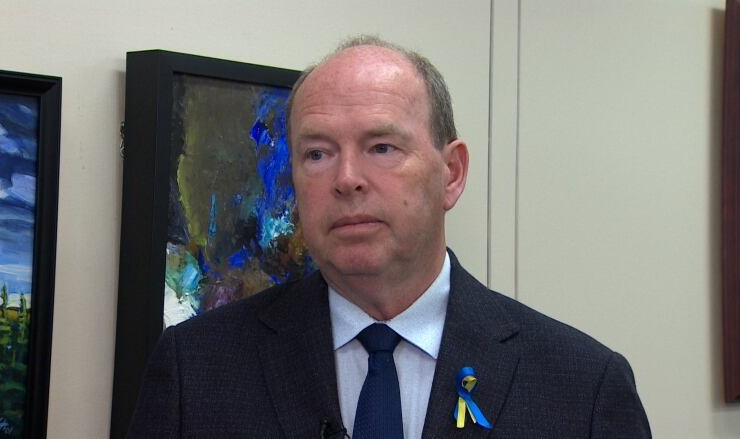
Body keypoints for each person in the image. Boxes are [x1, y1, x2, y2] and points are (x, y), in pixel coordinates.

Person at [127, 36, 651, 438]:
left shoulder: (582, 387)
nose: (346, 177)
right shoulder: (194, 370)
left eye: (380, 147)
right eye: (317, 153)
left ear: (451, 173)